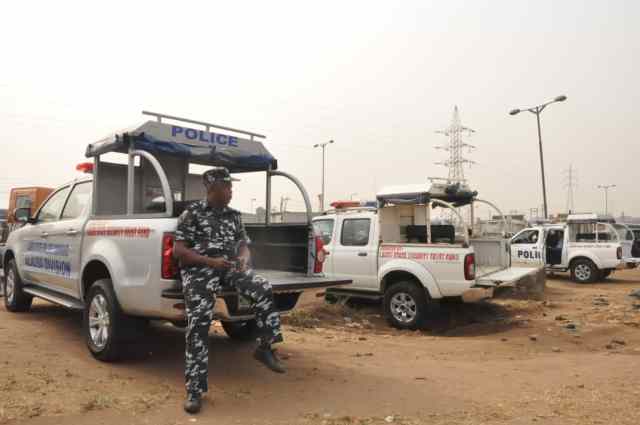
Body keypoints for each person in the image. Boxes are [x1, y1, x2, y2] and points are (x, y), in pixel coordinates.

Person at [174, 167, 285, 415]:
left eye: (231, 187)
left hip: (227, 266)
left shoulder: (234, 215)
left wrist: (244, 259)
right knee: (199, 323)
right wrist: (209, 262)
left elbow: (244, 245)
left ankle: (265, 348)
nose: (231, 191)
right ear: (213, 189)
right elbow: (179, 251)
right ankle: (194, 390)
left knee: (263, 288)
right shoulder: (191, 214)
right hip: (199, 269)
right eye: (227, 187)